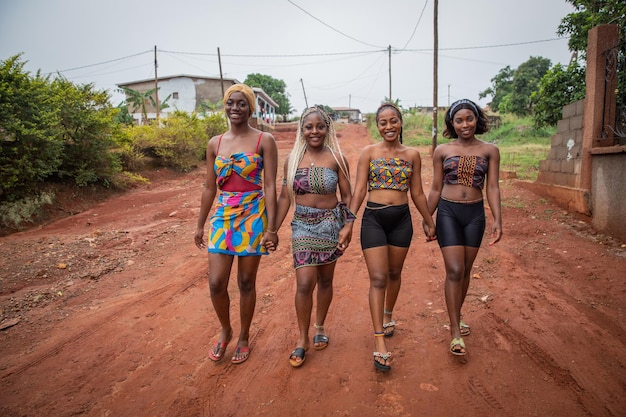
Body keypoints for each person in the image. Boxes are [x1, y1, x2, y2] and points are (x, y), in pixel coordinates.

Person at [347, 103, 436, 372]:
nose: (388, 126)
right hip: (374, 219)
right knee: (378, 278)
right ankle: (379, 342)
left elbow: (417, 192)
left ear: (400, 122)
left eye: (393, 121)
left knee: (395, 273)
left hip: (402, 221)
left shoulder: (412, 154)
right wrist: (348, 223)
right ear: (378, 125)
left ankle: (388, 314)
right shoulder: (368, 153)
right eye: (383, 122)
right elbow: (359, 190)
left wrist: (429, 221)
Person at [194, 83, 278, 365]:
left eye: (242, 103)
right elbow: (209, 187)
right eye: (231, 103)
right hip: (223, 216)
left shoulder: (264, 140)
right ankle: (225, 329)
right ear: (225, 106)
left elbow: (270, 186)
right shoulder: (214, 143)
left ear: (251, 108)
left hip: (254, 214)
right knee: (216, 283)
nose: (235, 108)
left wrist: (271, 228)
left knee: (245, 282)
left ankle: (243, 336)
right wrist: (200, 224)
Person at [274, 106, 355, 368]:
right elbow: (285, 197)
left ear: (327, 129)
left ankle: (320, 325)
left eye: (320, 126)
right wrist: (271, 230)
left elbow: (348, 195)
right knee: (305, 282)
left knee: (325, 279)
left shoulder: (337, 158)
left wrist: (348, 225)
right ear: (302, 130)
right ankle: (302, 339)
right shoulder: (292, 159)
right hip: (302, 225)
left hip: (330, 224)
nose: (315, 131)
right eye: (309, 127)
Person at [424, 98, 502, 356]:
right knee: (455, 270)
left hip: (475, 215)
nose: (465, 124)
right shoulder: (442, 151)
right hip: (448, 212)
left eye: (469, 118)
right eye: (459, 120)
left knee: (466, 270)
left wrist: (497, 219)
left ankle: (457, 314)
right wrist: (427, 217)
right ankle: (455, 331)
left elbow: (492, 186)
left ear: (477, 119)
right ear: (452, 123)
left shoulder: (490, 150)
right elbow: (435, 187)